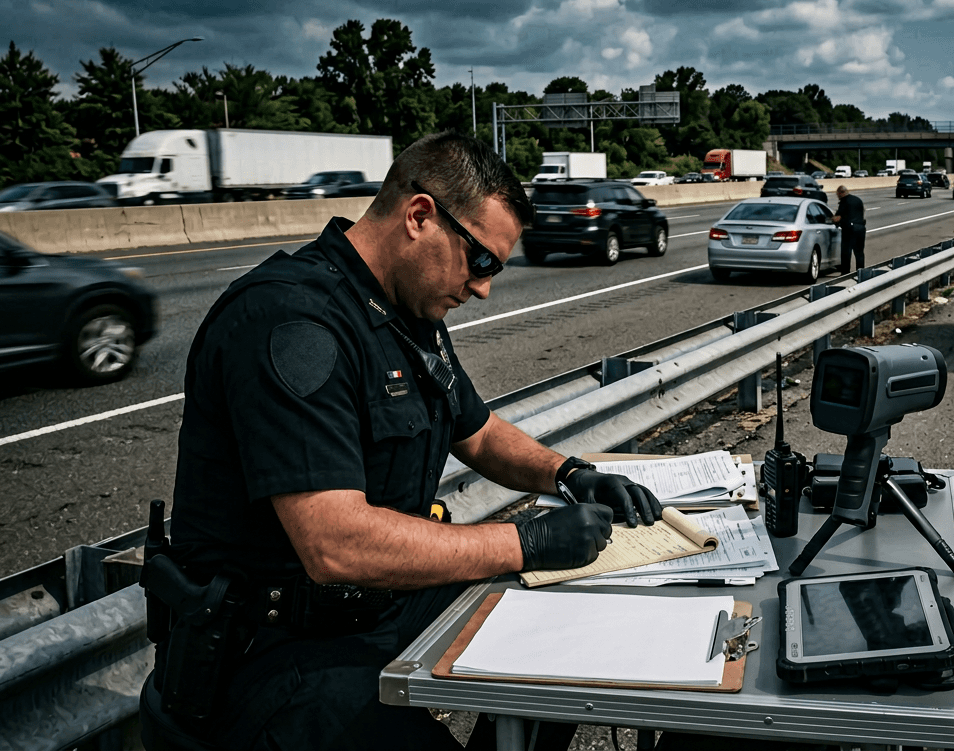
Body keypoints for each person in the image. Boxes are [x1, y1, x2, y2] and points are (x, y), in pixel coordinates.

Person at [143, 130, 662, 751]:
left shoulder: (409, 314)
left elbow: (478, 431)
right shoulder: (291, 321)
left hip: (377, 610)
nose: (484, 287)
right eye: (483, 261)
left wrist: (569, 473)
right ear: (421, 217)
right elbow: (336, 545)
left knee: (570, 627)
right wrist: (528, 540)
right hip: (277, 654)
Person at [832, 185, 866, 274]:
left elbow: (838, 218)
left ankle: (845, 273)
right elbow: (862, 212)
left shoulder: (844, 201)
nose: (838, 197)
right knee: (859, 253)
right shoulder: (858, 200)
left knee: (846, 252)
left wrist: (831, 219)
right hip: (861, 228)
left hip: (849, 229)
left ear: (840, 193)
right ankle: (861, 272)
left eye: (838, 195)